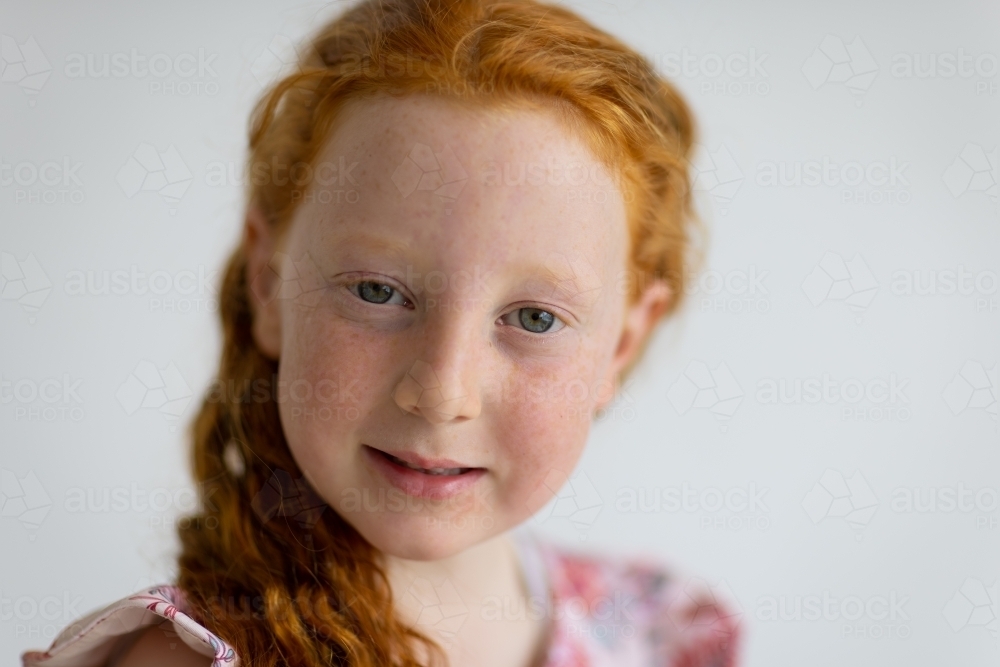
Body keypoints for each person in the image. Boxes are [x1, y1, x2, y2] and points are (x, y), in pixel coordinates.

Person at [22, 0, 740, 665]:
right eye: (377, 291)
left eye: (534, 318)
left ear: (622, 343)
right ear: (269, 282)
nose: (442, 391)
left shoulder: (656, 632)